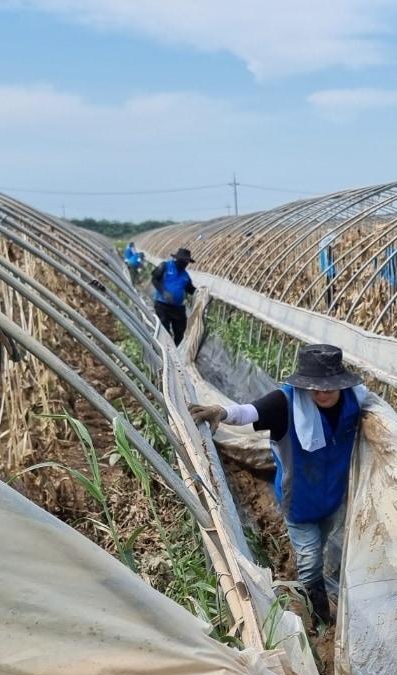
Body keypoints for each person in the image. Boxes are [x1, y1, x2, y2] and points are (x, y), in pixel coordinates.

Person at [189, 344, 367, 627]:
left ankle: (319, 578)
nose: (322, 393)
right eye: (315, 387)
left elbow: (379, 413)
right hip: (299, 502)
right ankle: (320, 620)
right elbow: (250, 411)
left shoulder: (355, 400)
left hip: (333, 497)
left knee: (322, 543)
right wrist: (221, 412)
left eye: (329, 387)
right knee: (309, 562)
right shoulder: (286, 404)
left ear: (340, 383)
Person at [151, 247, 195, 344]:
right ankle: (164, 352)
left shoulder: (185, 276)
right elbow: (154, 279)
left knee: (180, 333)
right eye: (184, 261)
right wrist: (163, 292)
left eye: (187, 261)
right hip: (162, 305)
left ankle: (177, 353)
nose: (185, 264)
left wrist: (200, 292)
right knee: (164, 331)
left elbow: (190, 289)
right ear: (177, 259)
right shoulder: (165, 266)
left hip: (178, 308)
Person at [317, 232, 337, 309]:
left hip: (330, 271)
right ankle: (330, 305)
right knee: (331, 289)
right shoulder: (327, 249)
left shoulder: (323, 248)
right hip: (330, 272)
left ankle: (330, 304)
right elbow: (326, 260)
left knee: (331, 288)